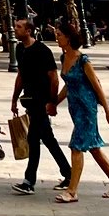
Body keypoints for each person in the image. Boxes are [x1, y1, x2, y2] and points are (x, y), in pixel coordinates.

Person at [53, 17, 109, 201]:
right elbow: (68, 85)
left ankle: (72, 191)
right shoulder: (63, 57)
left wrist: (108, 111)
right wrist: (54, 102)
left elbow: (97, 85)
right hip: (75, 109)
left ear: (68, 38)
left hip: (87, 109)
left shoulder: (83, 60)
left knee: (76, 146)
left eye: (59, 35)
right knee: (93, 148)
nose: (57, 38)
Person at [9, 16, 71, 196]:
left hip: (42, 101)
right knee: (48, 139)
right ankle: (68, 173)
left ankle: (29, 181)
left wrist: (52, 102)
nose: (15, 29)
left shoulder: (42, 51)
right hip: (30, 100)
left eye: (19, 27)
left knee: (33, 139)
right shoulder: (20, 49)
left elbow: (54, 77)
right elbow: (20, 75)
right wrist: (14, 99)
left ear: (28, 31)